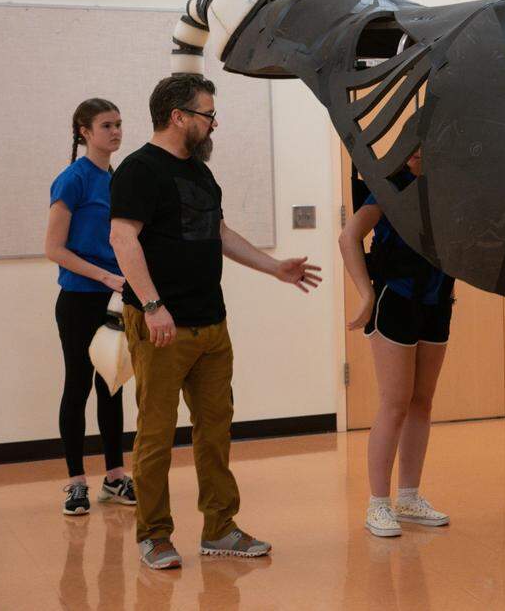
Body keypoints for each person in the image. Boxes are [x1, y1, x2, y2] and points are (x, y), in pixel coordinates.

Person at [109, 75, 322, 570]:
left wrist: (275, 268)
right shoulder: (140, 170)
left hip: (212, 324)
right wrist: (153, 305)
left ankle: (220, 528)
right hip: (163, 325)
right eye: (207, 114)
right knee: (157, 435)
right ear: (178, 116)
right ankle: (154, 535)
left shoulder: (201, 175)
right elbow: (123, 238)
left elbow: (218, 232)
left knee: (215, 431)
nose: (214, 123)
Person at [339, 151, 454, 538]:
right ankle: (378, 504)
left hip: (437, 301)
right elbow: (349, 237)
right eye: (415, 145)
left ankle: (408, 497)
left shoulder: (448, 187)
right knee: (395, 402)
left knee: (422, 400)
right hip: (395, 299)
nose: (422, 153)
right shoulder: (389, 187)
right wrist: (365, 294)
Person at [46, 98, 135, 516]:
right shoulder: (72, 180)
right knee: (78, 384)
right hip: (79, 299)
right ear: (84, 131)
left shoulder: (118, 178)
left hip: (114, 298)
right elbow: (54, 249)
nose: (115, 132)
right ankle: (76, 482)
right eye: (106, 125)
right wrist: (102, 276)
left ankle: (115, 477)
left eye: (118, 124)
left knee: (112, 383)